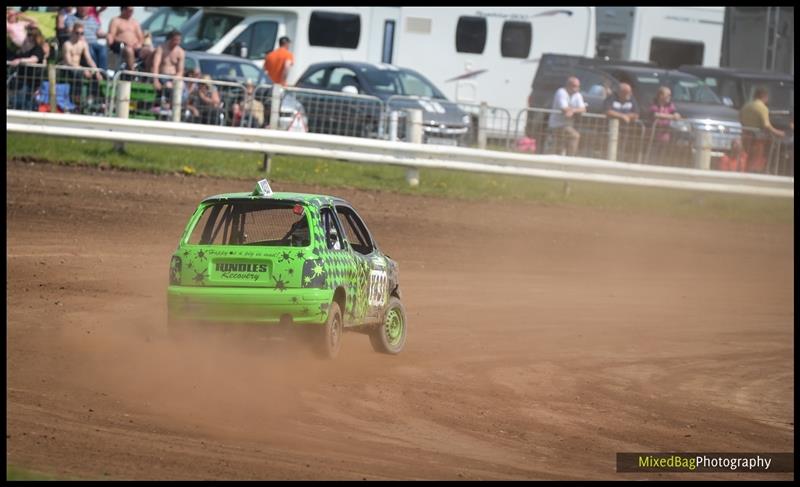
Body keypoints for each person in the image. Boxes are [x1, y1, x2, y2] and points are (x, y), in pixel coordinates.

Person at [740, 87, 785, 173]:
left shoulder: (746, 106)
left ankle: (745, 172)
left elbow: (741, 120)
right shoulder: (763, 108)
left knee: (747, 156)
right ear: (763, 96)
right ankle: (753, 174)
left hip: (745, 136)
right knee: (756, 158)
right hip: (757, 139)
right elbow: (766, 125)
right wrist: (778, 132)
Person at [547, 76, 586, 157]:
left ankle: (563, 158)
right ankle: (570, 157)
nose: (577, 88)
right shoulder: (561, 92)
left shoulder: (578, 95)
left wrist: (572, 111)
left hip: (567, 124)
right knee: (575, 136)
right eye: (575, 86)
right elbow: (564, 108)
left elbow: (583, 109)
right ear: (569, 85)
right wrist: (571, 110)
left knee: (560, 146)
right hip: (557, 124)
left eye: (578, 86)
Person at [647, 86, 681, 165]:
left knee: (663, 155)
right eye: (668, 95)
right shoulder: (654, 104)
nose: (669, 97)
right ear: (661, 96)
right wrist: (671, 117)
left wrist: (676, 115)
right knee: (653, 155)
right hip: (653, 136)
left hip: (665, 136)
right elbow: (655, 114)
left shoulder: (670, 105)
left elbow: (675, 113)